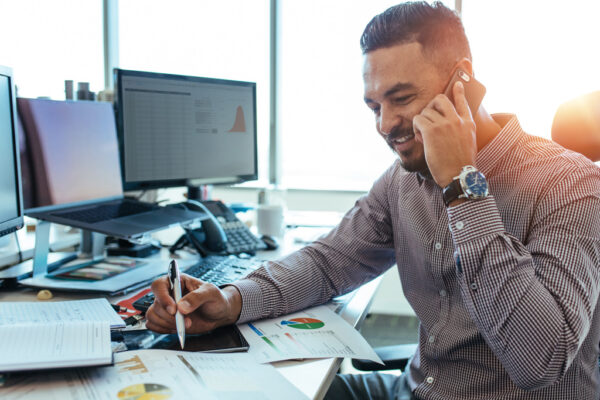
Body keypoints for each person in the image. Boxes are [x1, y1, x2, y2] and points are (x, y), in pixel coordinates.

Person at [146, 2, 600, 399]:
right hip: (415, 388)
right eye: (374, 106)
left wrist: (462, 184)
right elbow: (329, 262)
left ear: (463, 80)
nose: (385, 124)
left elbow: (540, 361)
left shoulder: (571, 185)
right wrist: (231, 300)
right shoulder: (401, 182)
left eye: (401, 98)